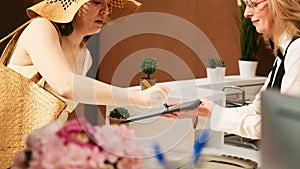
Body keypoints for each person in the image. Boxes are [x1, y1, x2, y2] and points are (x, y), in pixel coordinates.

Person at [5, 0, 169, 124]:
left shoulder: (86, 57)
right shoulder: (40, 28)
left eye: (108, 4)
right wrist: (138, 98)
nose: (105, 10)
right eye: (97, 1)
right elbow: (66, 85)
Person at [164, 0, 300, 139]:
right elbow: (257, 111)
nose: (247, 13)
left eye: (254, 4)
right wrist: (201, 112)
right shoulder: (285, 54)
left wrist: (216, 113)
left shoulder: (297, 51)